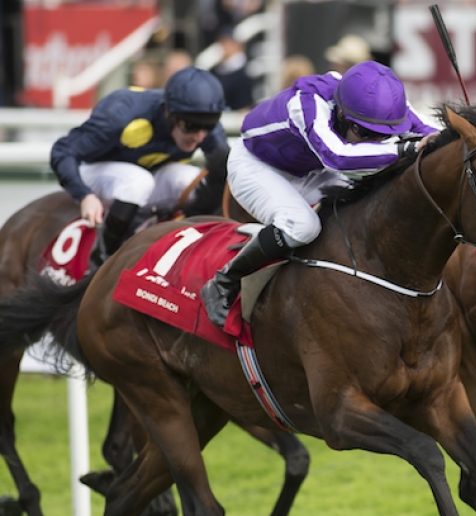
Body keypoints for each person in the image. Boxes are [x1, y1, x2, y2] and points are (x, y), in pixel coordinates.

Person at [200, 60, 439, 326]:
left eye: (381, 135)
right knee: (303, 226)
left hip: (311, 169)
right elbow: (337, 156)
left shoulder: (382, 108)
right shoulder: (308, 103)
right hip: (257, 165)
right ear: (342, 114)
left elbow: (433, 132)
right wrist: (405, 149)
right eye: (365, 133)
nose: (373, 141)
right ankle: (223, 281)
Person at [50, 66, 230, 266]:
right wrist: (84, 195)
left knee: (193, 179)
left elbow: (224, 171)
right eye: (191, 126)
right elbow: (62, 151)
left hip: (145, 178)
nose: (199, 136)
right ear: (169, 113)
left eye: (209, 126)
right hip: (93, 172)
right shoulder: (121, 113)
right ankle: (103, 259)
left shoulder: (203, 125)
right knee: (138, 181)